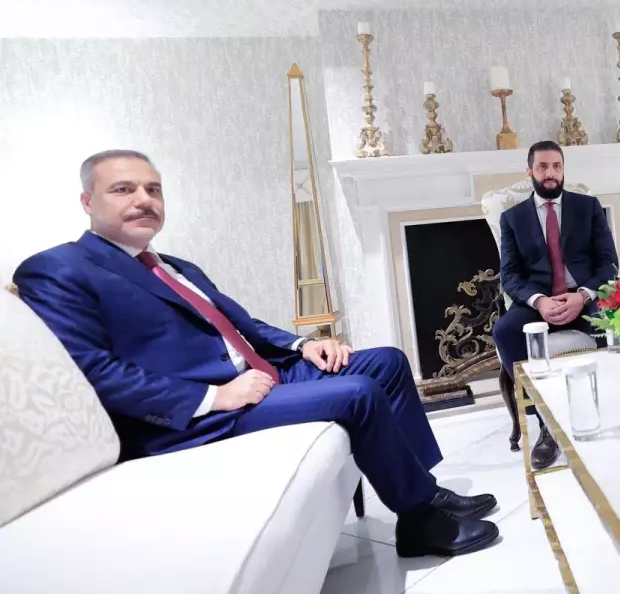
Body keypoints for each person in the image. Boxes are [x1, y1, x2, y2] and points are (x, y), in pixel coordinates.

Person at [14, 150, 500, 558]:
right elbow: (94, 372)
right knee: (358, 392)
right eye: (123, 189)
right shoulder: (58, 269)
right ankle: (417, 522)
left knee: (387, 361)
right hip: (199, 414)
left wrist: (304, 345)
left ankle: (425, 490)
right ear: (87, 201)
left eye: (153, 189)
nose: (144, 199)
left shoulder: (175, 265)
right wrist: (214, 397)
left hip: (266, 376)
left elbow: (243, 326)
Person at [492, 141, 618, 469]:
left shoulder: (588, 207)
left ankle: (611, 406)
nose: (550, 173)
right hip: (539, 302)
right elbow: (510, 275)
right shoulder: (512, 218)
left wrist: (583, 295)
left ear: (563, 170)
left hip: (583, 297)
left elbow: (609, 263)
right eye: (543, 167)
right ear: (530, 172)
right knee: (505, 331)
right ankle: (546, 423)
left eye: (557, 166)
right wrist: (540, 301)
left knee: (617, 319)